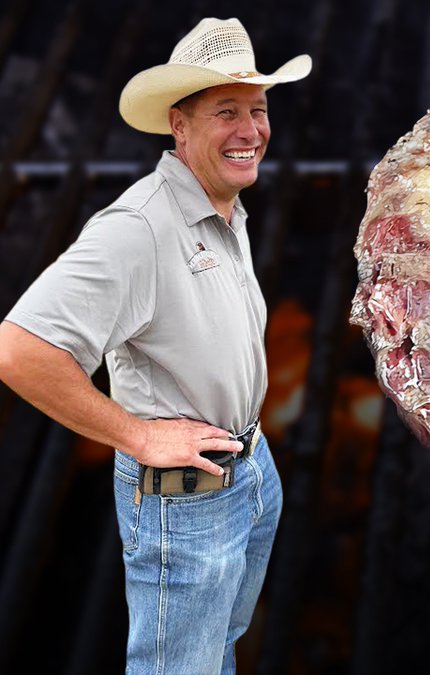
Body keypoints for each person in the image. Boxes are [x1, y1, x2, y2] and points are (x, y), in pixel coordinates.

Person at [0, 17, 310, 673]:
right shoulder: (138, 228)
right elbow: (18, 349)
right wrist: (138, 436)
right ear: (180, 125)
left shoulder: (222, 202)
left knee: (217, 651)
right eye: (227, 111)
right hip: (186, 500)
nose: (251, 129)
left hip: (249, 470)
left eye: (257, 109)